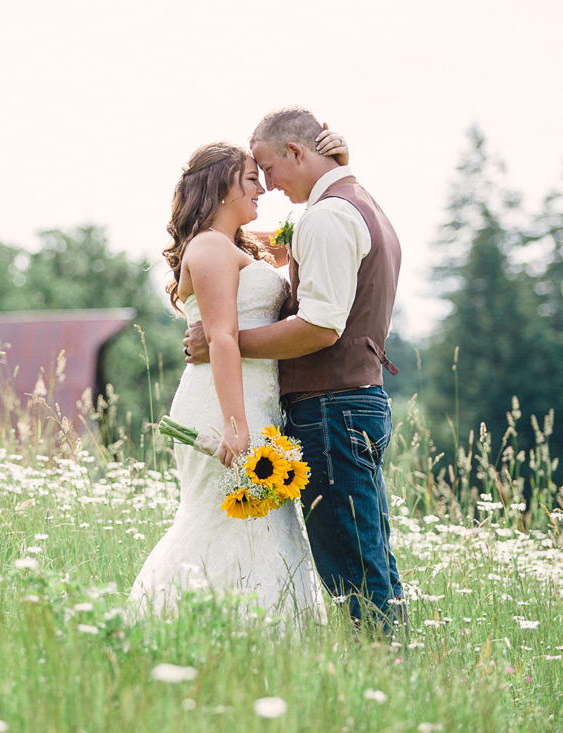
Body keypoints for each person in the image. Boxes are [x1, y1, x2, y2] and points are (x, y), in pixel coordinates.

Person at [184, 106, 405, 631]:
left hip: (332, 409)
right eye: (252, 177)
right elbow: (254, 259)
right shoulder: (357, 204)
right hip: (350, 403)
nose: (267, 185)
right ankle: (390, 661)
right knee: (368, 553)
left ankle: (380, 664)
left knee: (353, 563)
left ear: (298, 153)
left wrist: (230, 341)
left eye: (268, 168)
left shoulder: (328, 217)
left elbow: (321, 327)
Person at [128, 131, 348, 626]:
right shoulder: (208, 248)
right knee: (224, 517)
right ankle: (190, 624)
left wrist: (335, 166)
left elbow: (310, 226)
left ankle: (259, 633)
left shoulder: (237, 246)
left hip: (256, 401)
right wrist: (235, 425)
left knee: (265, 523)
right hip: (223, 404)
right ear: (222, 187)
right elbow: (223, 338)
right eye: (252, 179)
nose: (263, 190)